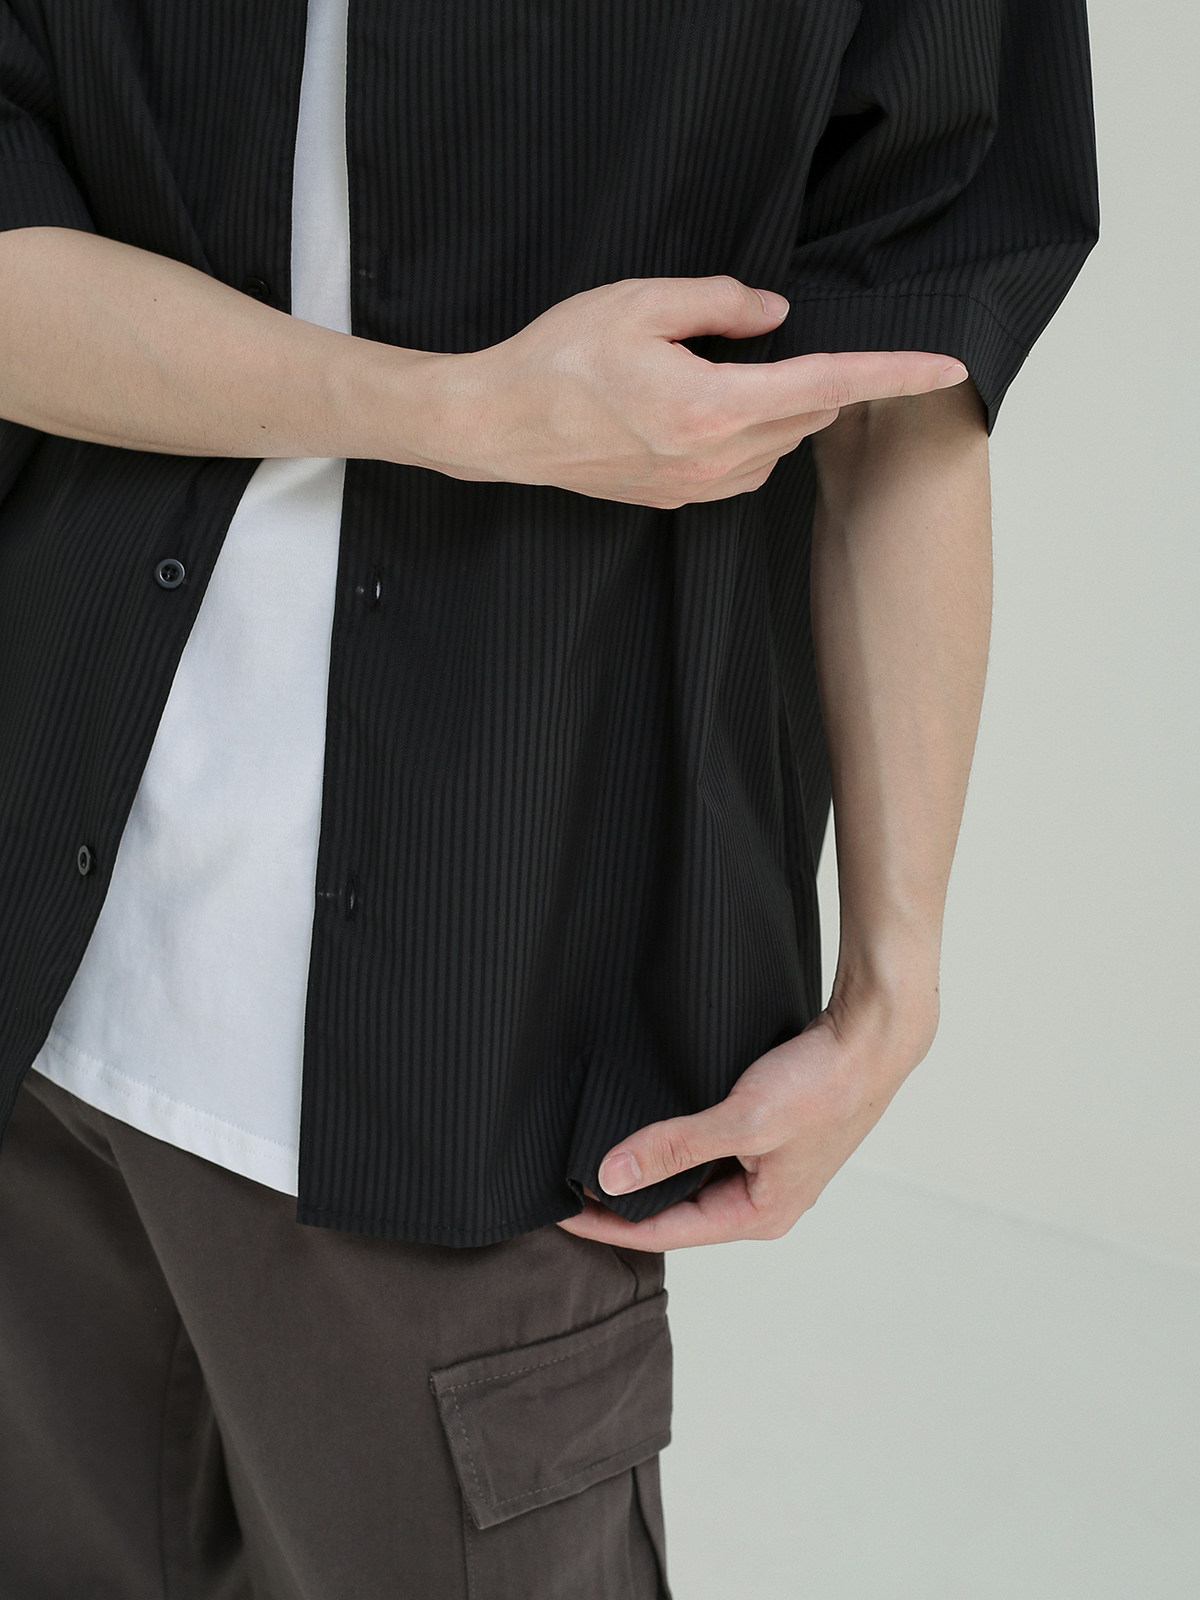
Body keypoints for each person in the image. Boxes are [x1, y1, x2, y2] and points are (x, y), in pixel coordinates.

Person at [0, 0, 1099, 1594]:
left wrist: (895, 979)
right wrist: (457, 413)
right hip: (45, 952)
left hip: (480, 1042)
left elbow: (904, 381)